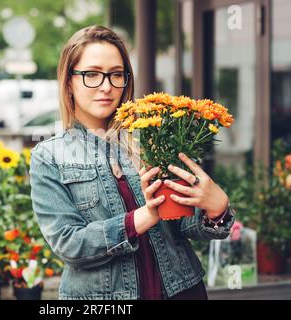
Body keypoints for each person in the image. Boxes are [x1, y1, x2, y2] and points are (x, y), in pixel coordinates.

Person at [29, 25, 235, 300]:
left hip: (182, 291)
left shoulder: (151, 139)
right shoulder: (50, 156)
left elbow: (182, 224)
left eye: (116, 74)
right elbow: (70, 244)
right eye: (92, 74)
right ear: (69, 81)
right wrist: (144, 217)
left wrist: (216, 209)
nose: (106, 86)